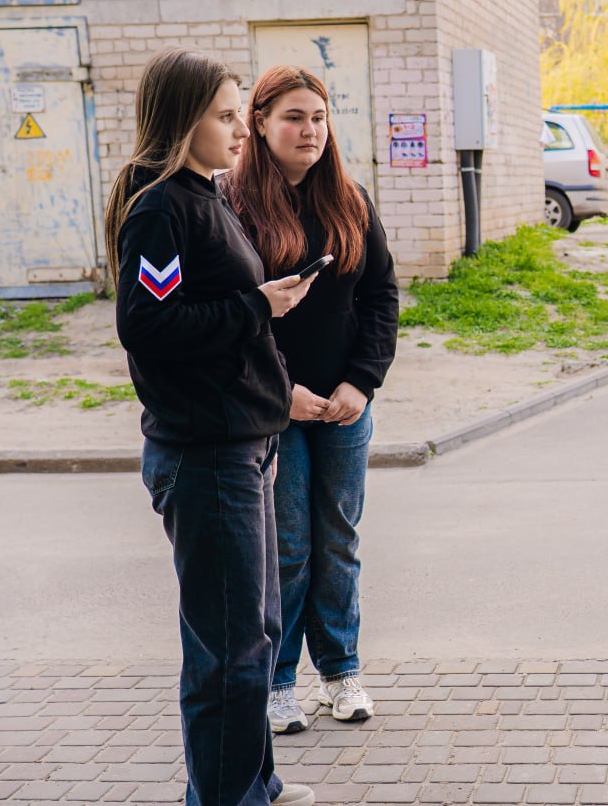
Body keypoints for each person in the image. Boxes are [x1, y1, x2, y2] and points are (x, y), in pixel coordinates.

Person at [106, 48, 317, 806]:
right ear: (181, 120)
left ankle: (254, 780)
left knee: (254, 632)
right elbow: (148, 326)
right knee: (228, 649)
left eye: (239, 115)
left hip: (246, 444)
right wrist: (257, 305)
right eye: (226, 116)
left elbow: (210, 309)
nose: (241, 130)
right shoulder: (162, 208)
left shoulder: (209, 195)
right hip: (206, 454)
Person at [222, 65, 399, 734]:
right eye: (294, 117)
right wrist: (281, 393)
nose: (310, 131)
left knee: (340, 540)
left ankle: (340, 670)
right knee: (288, 547)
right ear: (260, 123)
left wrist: (361, 382)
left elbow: (381, 298)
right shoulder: (232, 207)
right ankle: (278, 681)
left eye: (319, 117)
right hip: (276, 408)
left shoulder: (350, 200)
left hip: (345, 407)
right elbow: (232, 318)